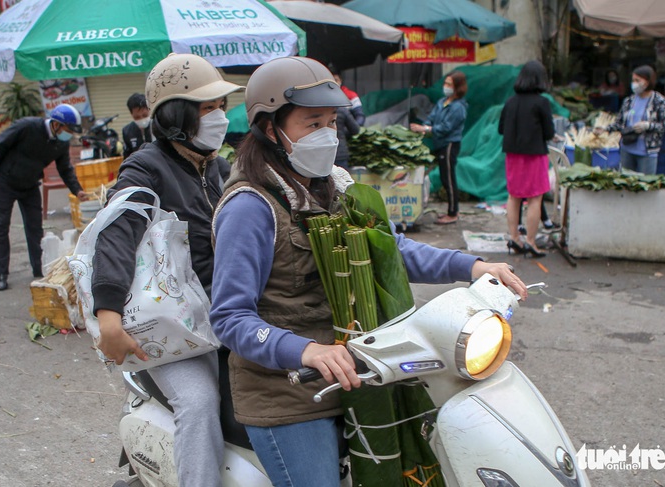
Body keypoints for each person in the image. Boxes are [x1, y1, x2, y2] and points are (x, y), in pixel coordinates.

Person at [208, 56, 528, 487]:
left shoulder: (334, 186)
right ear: (271, 129)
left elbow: (392, 250)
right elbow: (230, 317)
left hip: (363, 372)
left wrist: (472, 265)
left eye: (332, 123)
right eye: (311, 123)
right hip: (288, 391)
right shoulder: (250, 208)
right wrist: (308, 351)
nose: (327, 134)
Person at [90, 53, 243, 487]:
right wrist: (108, 316)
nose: (219, 118)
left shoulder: (217, 166)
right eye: (206, 109)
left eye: (220, 107)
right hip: (174, 325)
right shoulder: (146, 166)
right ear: (177, 116)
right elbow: (116, 235)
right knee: (198, 401)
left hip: (225, 311)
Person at [0, 104, 88, 291]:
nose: (69, 134)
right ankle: (1, 274)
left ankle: (39, 269)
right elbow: (0, 143)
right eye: (68, 129)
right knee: (0, 226)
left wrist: (77, 189)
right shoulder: (27, 126)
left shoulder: (61, 142)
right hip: (5, 182)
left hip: (30, 185)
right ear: (57, 124)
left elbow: (65, 168)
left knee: (34, 228)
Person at [498, 60, 555, 258]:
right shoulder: (542, 102)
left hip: (513, 155)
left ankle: (514, 238)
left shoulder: (510, 102)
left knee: (514, 196)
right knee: (534, 198)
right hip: (535, 155)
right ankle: (531, 241)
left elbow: (500, 129)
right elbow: (549, 132)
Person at [410, 71, 468, 225]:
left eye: (449, 84)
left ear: (457, 87)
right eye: (446, 83)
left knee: (448, 178)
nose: (446, 87)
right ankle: (451, 210)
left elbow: (446, 127)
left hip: (449, 144)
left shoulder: (458, 107)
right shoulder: (443, 102)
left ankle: (453, 212)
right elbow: (432, 118)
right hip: (440, 143)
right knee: (444, 177)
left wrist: (427, 130)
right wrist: (424, 126)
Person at [596, 65, 665, 175]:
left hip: (647, 152)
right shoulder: (629, 101)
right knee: (625, 184)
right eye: (633, 80)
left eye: (637, 80)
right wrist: (605, 129)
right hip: (627, 149)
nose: (634, 83)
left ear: (647, 82)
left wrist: (648, 126)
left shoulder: (660, 102)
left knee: (645, 185)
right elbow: (620, 123)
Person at [121, 93, 153, 159]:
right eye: (137, 117)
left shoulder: (157, 126)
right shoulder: (127, 131)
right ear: (131, 114)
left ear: (149, 110)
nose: (142, 119)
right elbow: (127, 156)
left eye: (144, 115)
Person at [334, 106, 360, 170]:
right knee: (341, 178)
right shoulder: (342, 110)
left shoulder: (317, 110)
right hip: (340, 152)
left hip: (322, 153)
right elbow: (355, 130)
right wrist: (342, 133)